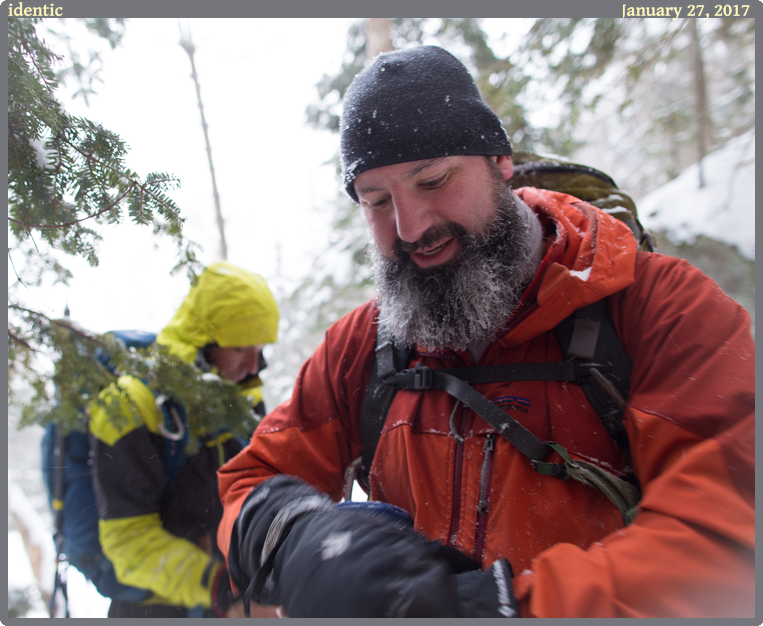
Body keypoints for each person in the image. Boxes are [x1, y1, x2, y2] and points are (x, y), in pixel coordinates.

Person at [217, 46, 755, 618]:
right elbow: (253, 477)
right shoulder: (364, 345)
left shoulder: (661, 309)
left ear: (498, 159)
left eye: (432, 180)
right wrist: (296, 534)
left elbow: (722, 539)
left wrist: (488, 607)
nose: (409, 226)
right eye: (377, 201)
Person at [89, 261, 280, 618]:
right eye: (241, 348)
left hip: (230, 596)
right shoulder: (130, 406)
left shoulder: (241, 399)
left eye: (261, 347)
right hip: (153, 606)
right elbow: (127, 540)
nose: (255, 365)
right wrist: (217, 587)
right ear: (202, 343)